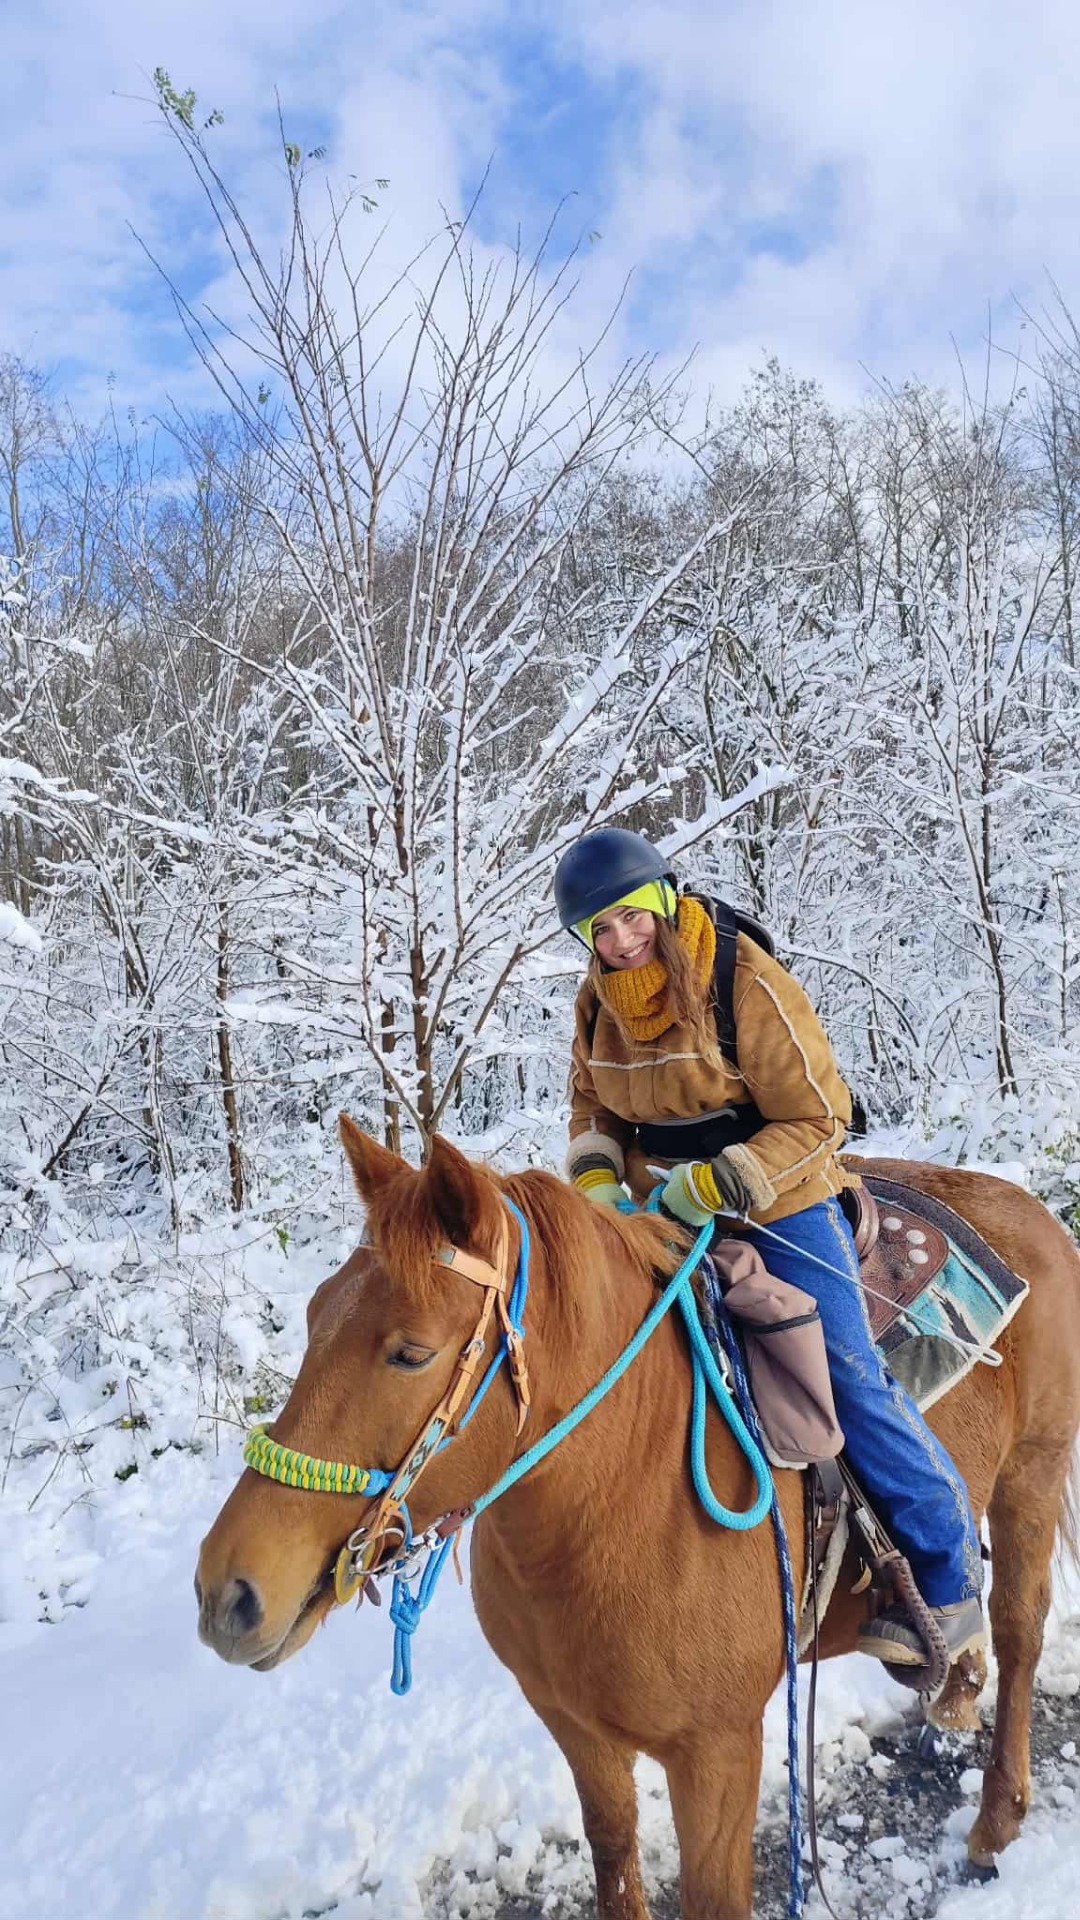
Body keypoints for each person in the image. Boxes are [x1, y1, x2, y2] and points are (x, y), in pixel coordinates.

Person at [554, 826, 984, 1670]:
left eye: (631, 918)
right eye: (598, 930)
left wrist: (721, 1182)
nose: (620, 940)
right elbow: (590, 1110)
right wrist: (599, 1183)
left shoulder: (743, 979)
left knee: (848, 1377)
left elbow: (820, 1115)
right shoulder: (597, 1003)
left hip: (778, 1200)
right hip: (656, 1209)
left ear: (664, 902)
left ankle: (946, 1575)